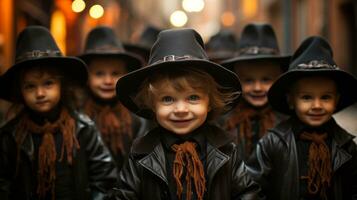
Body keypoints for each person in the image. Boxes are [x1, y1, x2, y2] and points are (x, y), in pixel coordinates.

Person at [108, 28, 262, 199]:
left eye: (193, 97)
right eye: (167, 99)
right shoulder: (141, 152)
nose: (181, 110)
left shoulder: (226, 149)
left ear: (209, 102)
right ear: (152, 105)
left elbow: (247, 194)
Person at [0, 26, 117, 200]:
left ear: (62, 85)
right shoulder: (10, 135)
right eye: (30, 86)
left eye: (48, 83)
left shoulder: (83, 128)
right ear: (20, 90)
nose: (40, 93)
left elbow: (105, 178)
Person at [247, 36, 357, 199]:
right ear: (291, 100)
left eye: (325, 97)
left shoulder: (346, 145)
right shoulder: (272, 143)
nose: (317, 105)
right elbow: (252, 189)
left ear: (337, 100)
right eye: (307, 97)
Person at [79, 26, 147, 169]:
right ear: (87, 77)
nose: (108, 81)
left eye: (115, 73)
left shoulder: (136, 119)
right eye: (99, 74)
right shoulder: (77, 118)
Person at [220, 23, 290, 160]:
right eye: (248, 81)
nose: (257, 88)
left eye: (266, 80)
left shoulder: (287, 119)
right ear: (238, 81)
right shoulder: (226, 121)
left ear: (278, 79)